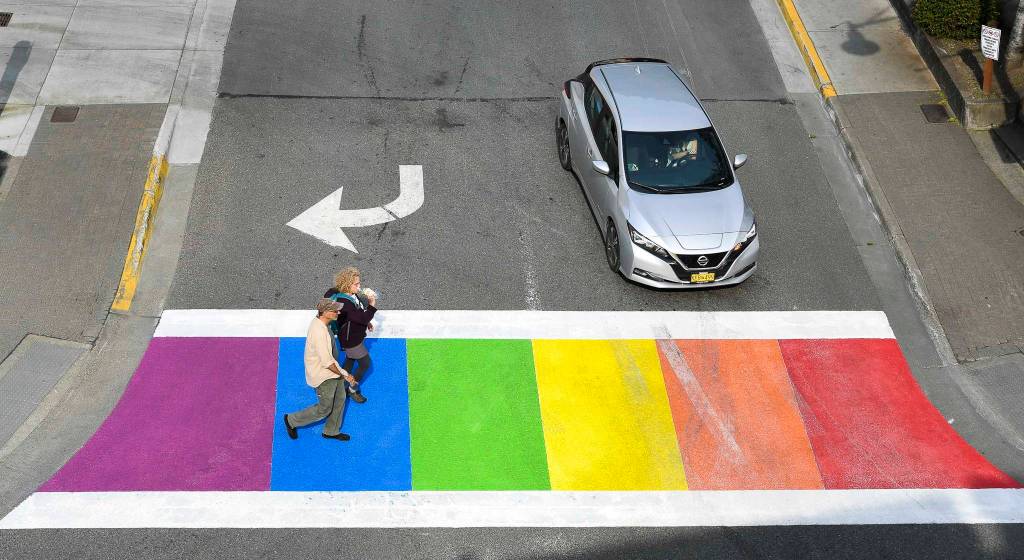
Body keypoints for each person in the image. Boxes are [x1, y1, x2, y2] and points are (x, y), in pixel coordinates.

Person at [282, 298, 359, 442]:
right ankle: (291, 420)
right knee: (324, 409)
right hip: (324, 375)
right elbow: (327, 362)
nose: (338, 312)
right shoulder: (319, 332)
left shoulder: (323, 323)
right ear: (324, 312)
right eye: (335, 310)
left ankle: (331, 431)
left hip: (333, 371)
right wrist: (346, 375)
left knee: (340, 399)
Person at [325, 267, 377, 404]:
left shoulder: (350, 296)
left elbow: (359, 316)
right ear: (348, 284)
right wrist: (371, 306)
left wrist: (366, 324)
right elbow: (362, 318)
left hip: (350, 335)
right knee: (365, 364)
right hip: (351, 340)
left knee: (349, 361)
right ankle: (352, 390)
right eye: (356, 284)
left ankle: (340, 386)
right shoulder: (345, 304)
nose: (359, 286)